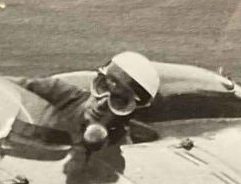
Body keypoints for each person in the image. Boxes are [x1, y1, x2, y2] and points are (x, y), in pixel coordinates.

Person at [18, 51, 162, 155]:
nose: (102, 103)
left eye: (118, 101)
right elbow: (2, 84)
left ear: (127, 113)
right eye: (103, 87)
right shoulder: (59, 93)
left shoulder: (121, 149)